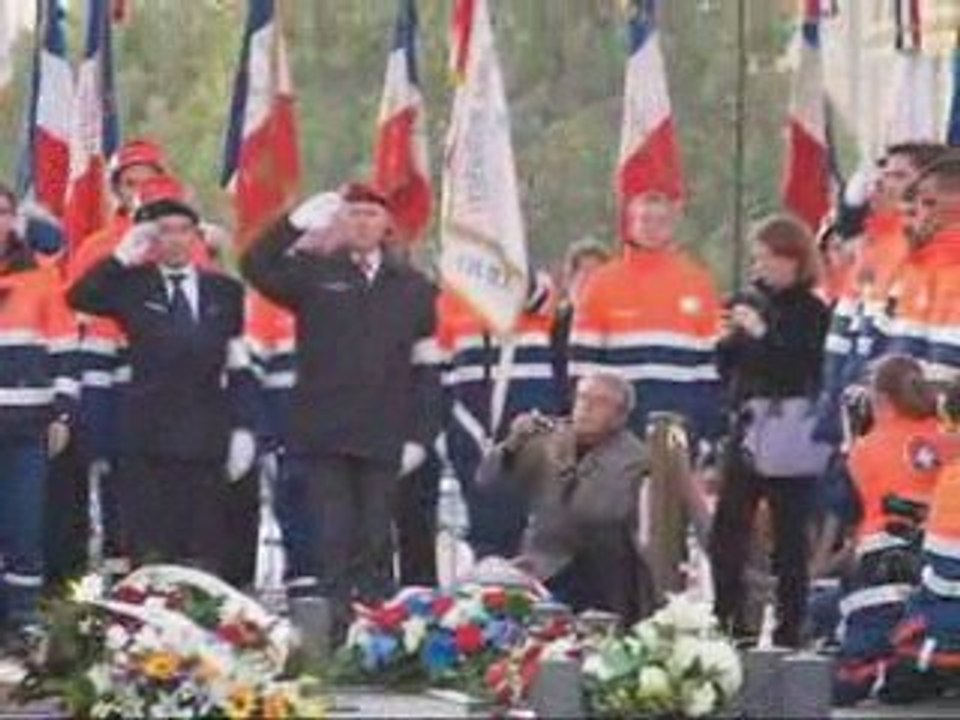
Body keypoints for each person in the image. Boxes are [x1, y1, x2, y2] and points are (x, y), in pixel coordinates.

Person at [241, 183, 441, 634]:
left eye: (371, 214)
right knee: (332, 536)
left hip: (384, 433)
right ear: (340, 223)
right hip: (324, 432)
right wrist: (292, 223)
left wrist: (420, 436)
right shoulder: (313, 274)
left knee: (375, 537)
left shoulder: (413, 288)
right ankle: (333, 634)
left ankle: (374, 634)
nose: (362, 223)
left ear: (386, 224)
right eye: (353, 214)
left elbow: (427, 370)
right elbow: (254, 265)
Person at [67, 177, 257, 579]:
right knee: (151, 551)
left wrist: (244, 428)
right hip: (147, 436)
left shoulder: (224, 291)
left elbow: (239, 363)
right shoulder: (133, 286)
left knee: (204, 550)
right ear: (152, 239)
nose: (174, 240)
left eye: (183, 231)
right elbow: (80, 297)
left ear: (196, 237)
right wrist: (120, 257)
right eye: (164, 232)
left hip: (207, 434)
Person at [709, 214, 831, 648]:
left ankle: (789, 626)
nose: (759, 267)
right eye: (756, 258)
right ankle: (728, 619)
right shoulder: (748, 299)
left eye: (768, 258)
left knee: (789, 536)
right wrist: (728, 339)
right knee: (727, 531)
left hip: (788, 428)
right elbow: (729, 366)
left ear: (792, 260)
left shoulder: (812, 311)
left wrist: (761, 334)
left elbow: (797, 365)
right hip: (745, 426)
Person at [476, 372, 652, 623]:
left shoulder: (636, 459)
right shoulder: (547, 439)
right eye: (581, 398)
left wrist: (570, 472)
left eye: (599, 402)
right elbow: (487, 481)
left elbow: (598, 512)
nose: (586, 408)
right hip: (540, 565)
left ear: (620, 416)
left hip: (599, 574)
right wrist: (511, 445)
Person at [569, 191, 724, 445]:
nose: (652, 228)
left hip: (680, 421)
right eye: (645, 220)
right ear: (631, 224)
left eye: (660, 221)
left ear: (672, 227)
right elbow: (582, 365)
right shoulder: (603, 282)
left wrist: (707, 427)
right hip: (618, 424)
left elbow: (709, 367)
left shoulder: (698, 281)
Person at [832, 356, 940, 705]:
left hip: (880, 579)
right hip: (939, 580)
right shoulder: (946, 439)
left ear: (879, 400)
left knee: (845, 683)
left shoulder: (865, 451)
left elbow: (843, 527)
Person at [0, 184, 78, 647]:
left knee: (25, 525)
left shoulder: (42, 279)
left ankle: (25, 619)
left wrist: (64, 415)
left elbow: (66, 350)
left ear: (14, 220)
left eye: (2, 212)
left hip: (28, 428)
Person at [435, 273, 559, 560]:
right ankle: (489, 592)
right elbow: (440, 370)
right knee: (483, 526)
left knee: (529, 525)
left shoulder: (534, 284)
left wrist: (503, 269)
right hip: (470, 426)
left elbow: (540, 297)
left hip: (528, 423)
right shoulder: (450, 300)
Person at [551, 238, 610, 414]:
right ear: (569, 279)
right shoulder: (551, 325)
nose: (588, 280)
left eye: (595, 273)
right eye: (581, 272)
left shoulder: (617, 330)